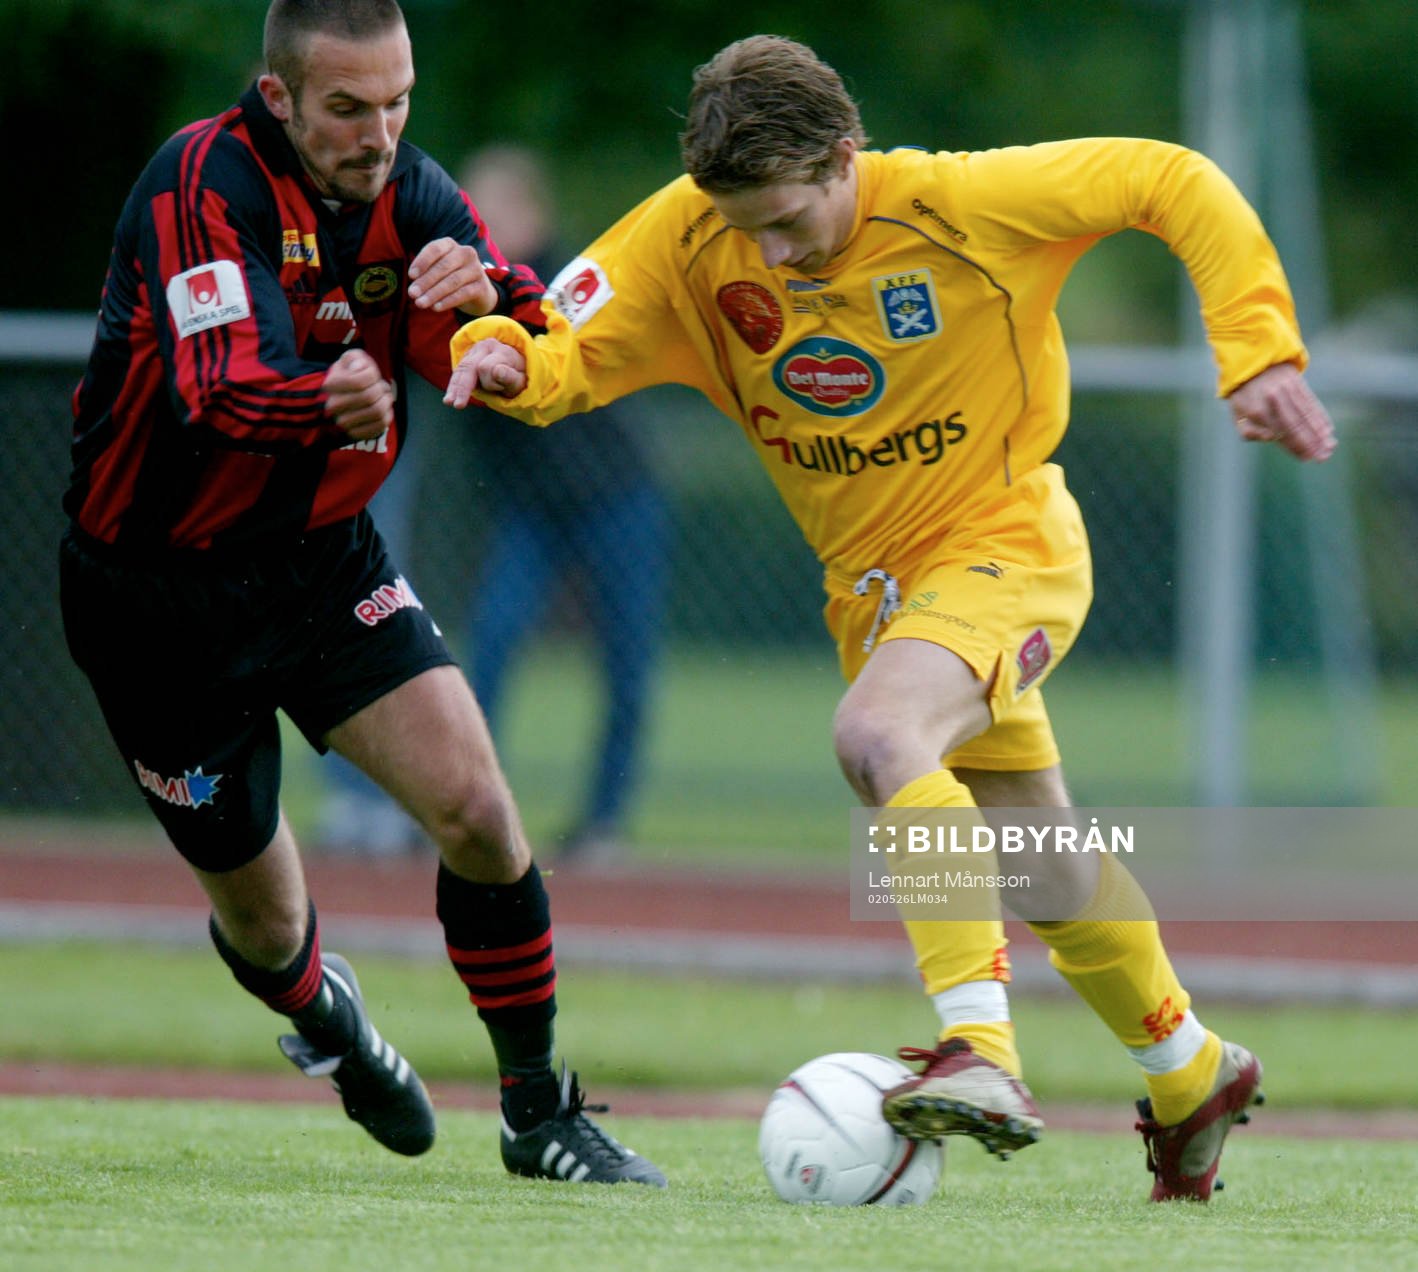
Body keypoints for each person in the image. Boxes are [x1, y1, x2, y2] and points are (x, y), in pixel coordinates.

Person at [444, 35, 1336, 1201]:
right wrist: (497, 354)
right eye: (742, 225)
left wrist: (1252, 350)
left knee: (875, 740)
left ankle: (983, 1051)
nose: (763, 249)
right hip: (873, 597)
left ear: (842, 157)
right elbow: (556, 340)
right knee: (1038, 860)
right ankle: (1190, 1070)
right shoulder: (684, 230)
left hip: (1003, 547)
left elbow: (1171, 179)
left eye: (785, 219)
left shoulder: (961, 205)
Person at [59, 0, 664, 1188]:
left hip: (323, 563)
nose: (377, 132)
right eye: (346, 107)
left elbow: (524, 339)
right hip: (152, 599)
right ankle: (328, 1022)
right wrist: (322, 402)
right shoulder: (201, 181)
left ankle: (538, 1113)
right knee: (271, 926)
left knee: (480, 811)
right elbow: (216, 389)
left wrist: (486, 308)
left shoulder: (419, 194)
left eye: (396, 102)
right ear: (278, 97)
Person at [317, 145, 669, 863]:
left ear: (534, 215)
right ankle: (467, 810)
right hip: (531, 514)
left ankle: (603, 824)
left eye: (496, 208)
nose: (474, 225)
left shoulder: (563, 283)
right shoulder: (444, 296)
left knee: (627, 663)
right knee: (494, 647)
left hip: (617, 498)